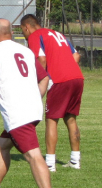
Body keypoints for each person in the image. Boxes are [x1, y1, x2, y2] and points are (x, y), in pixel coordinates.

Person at [0, 18, 58, 188]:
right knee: (3, 145)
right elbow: (45, 77)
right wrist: (35, 97)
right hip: (32, 110)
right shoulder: (26, 51)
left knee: (33, 156)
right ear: (11, 33)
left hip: (18, 114)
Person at [20, 13, 84, 171]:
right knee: (70, 119)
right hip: (77, 77)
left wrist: (40, 80)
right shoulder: (57, 34)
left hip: (59, 80)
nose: (24, 34)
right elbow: (76, 55)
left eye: (23, 30)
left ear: (27, 27)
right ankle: (75, 160)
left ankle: (49, 163)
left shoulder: (35, 36)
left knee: (51, 119)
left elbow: (41, 60)